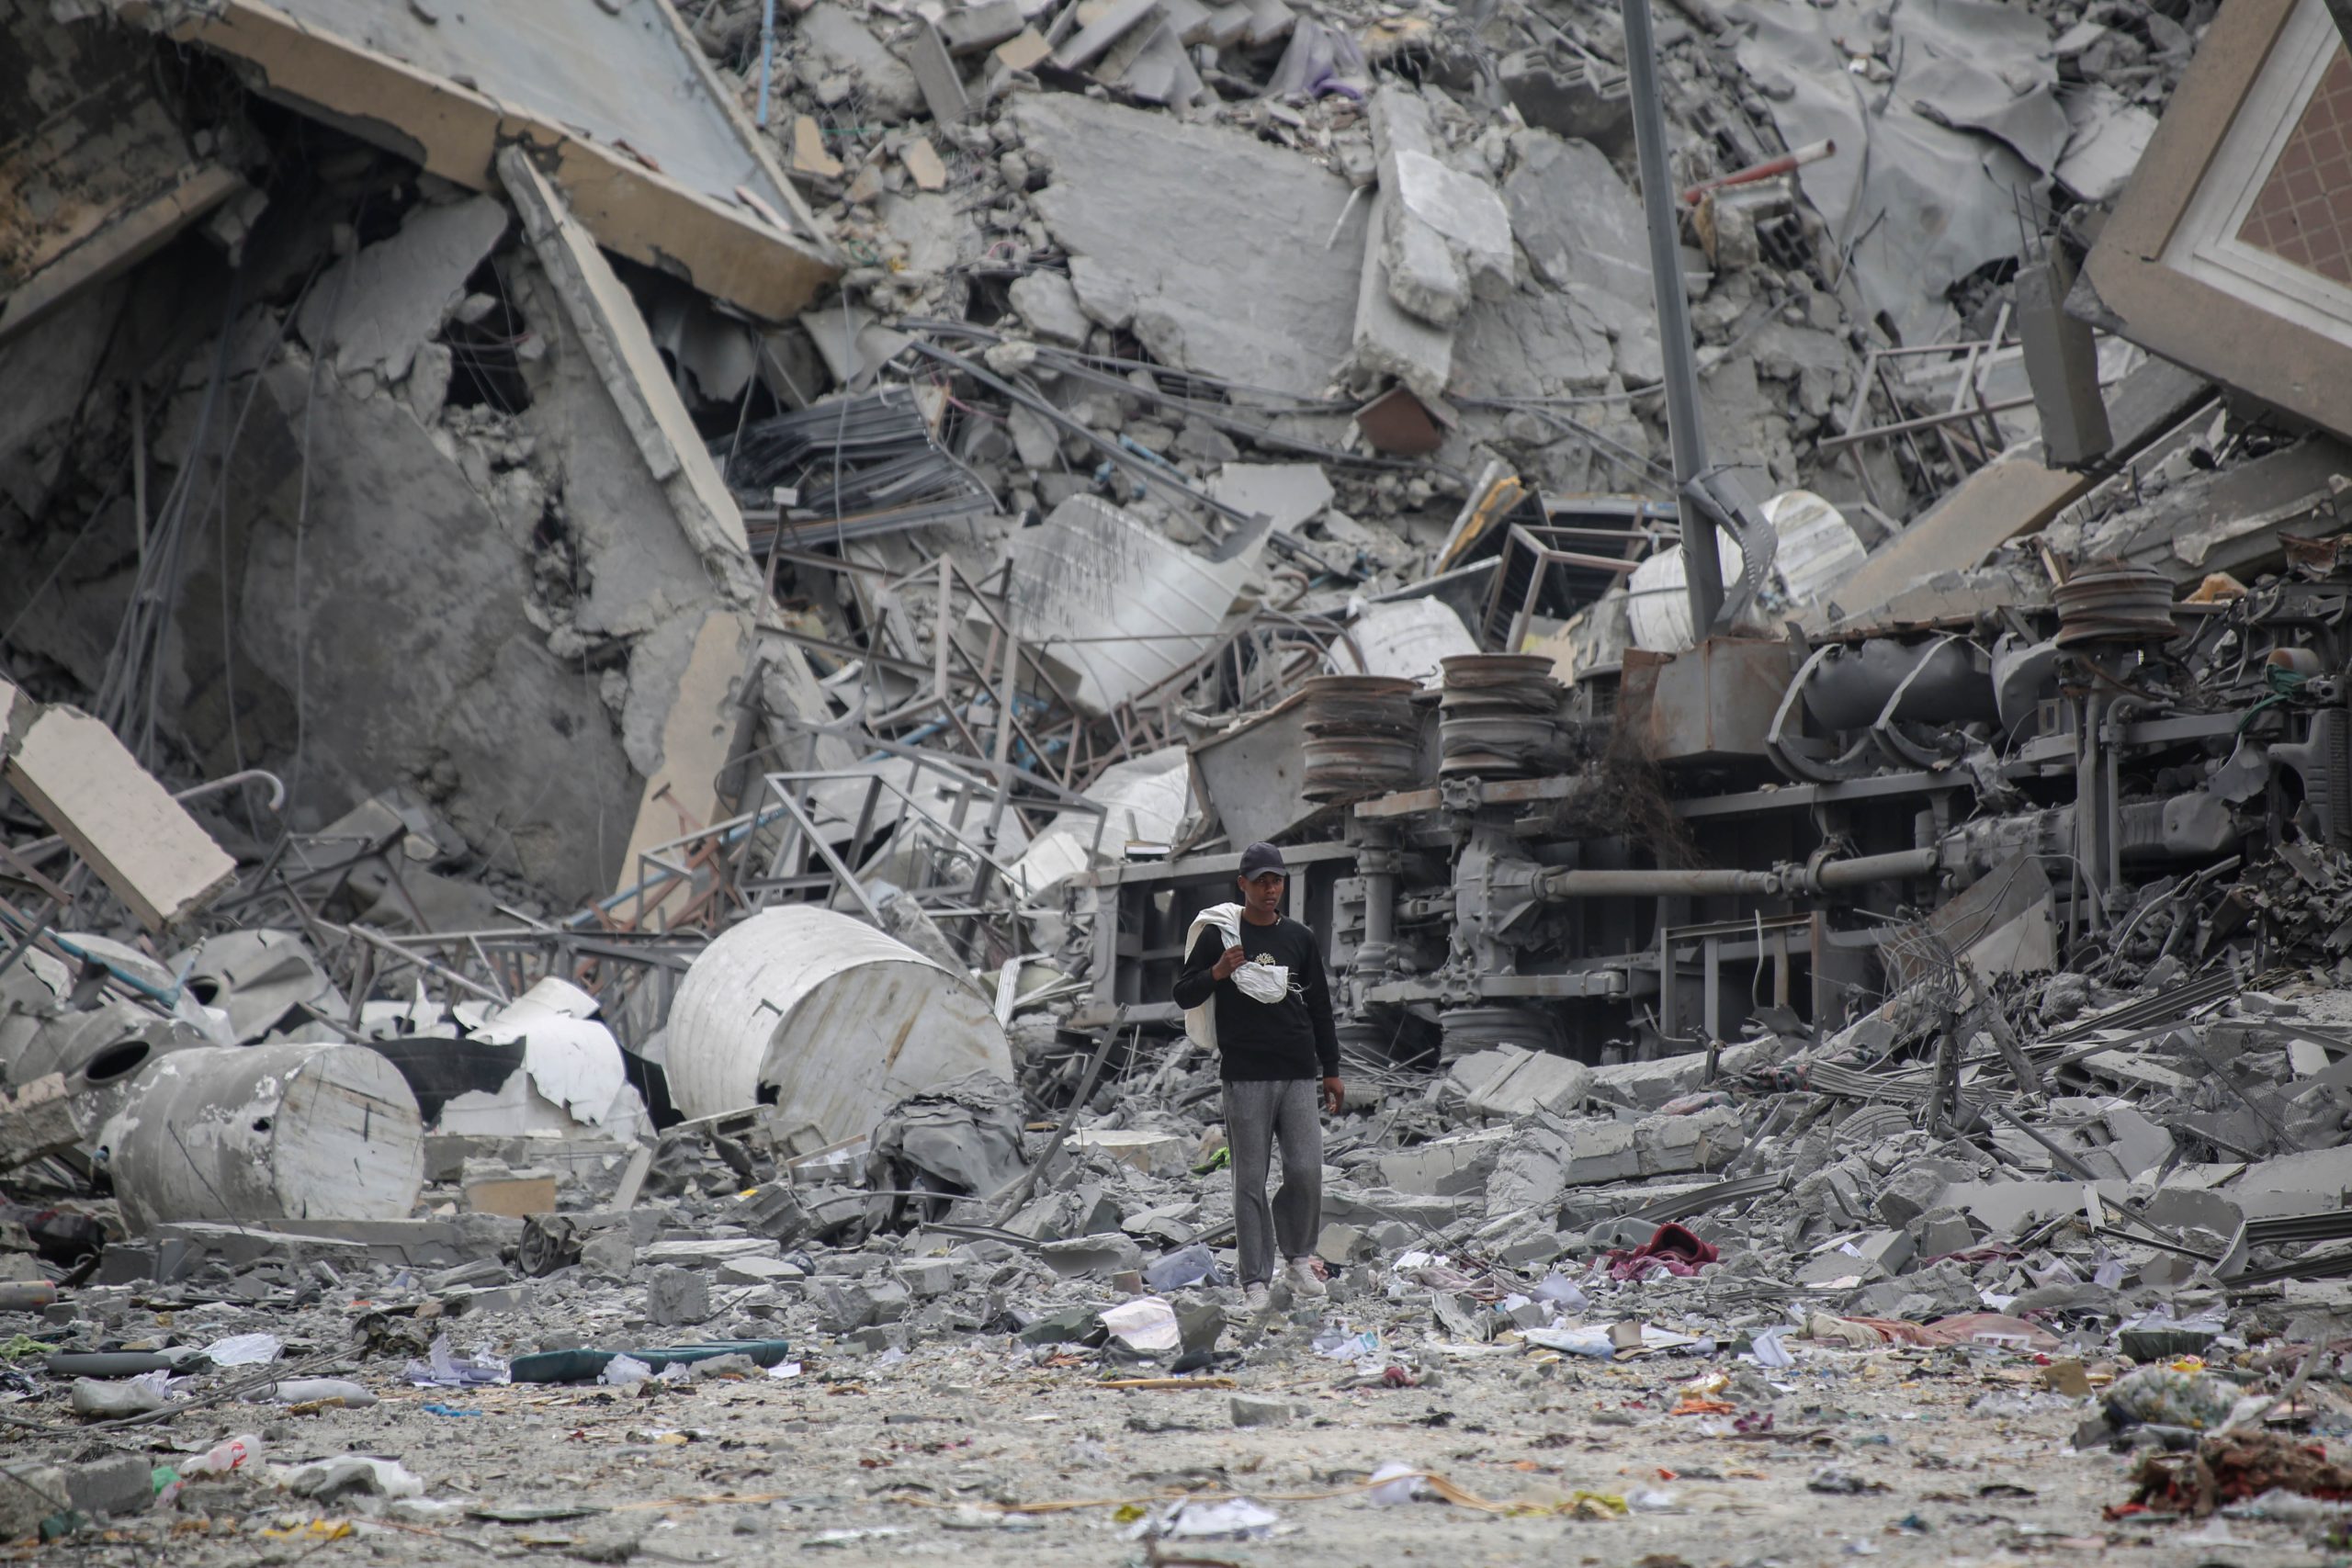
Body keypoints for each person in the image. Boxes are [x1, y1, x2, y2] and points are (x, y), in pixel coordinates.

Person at [1170, 841, 1344, 1311]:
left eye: (1277, 880)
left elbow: (1321, 1008)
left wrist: (1331, 1069)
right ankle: (1255, 1281)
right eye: (1262, 881)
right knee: (1250, 1180)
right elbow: (1183, 994)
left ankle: (1299, 1260)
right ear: (1242, 885)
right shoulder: (1222, 937)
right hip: (1245, 1075)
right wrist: (1217, 972)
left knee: (1306, 1170)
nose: (1271, 889)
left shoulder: (1299, 938)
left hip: (1296, 1072)